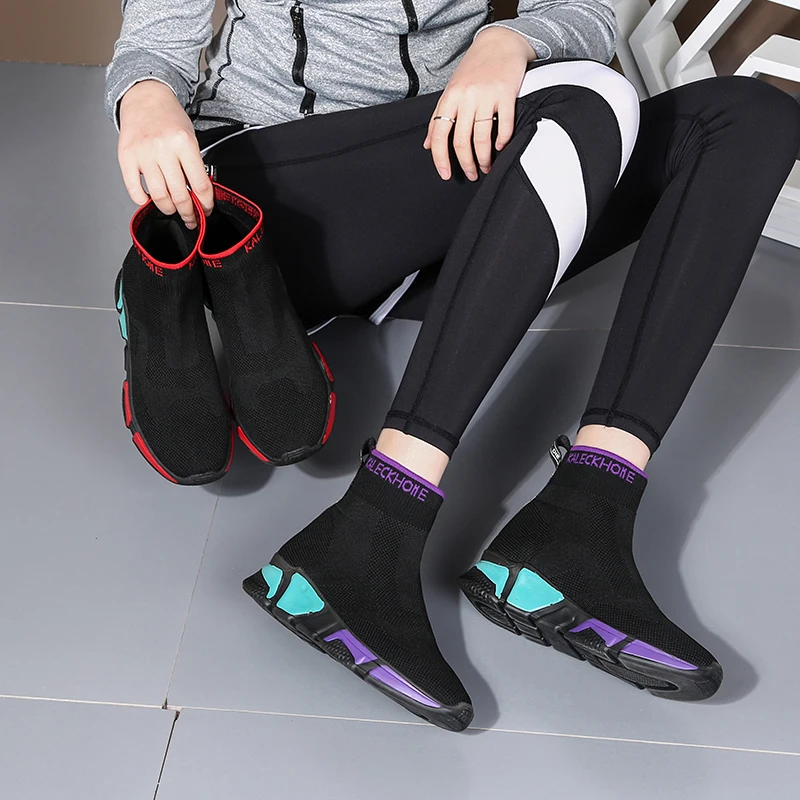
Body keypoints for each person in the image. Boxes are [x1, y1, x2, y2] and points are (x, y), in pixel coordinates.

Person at [106, 0, 800, 731]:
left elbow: (589, 11)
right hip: (278, 192)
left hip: (449, 183)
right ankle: (371, 529)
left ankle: (581, 518)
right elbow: (154, 41)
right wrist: (145, 96)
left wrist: (507, 42)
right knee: (590, 99)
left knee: (748, 116)